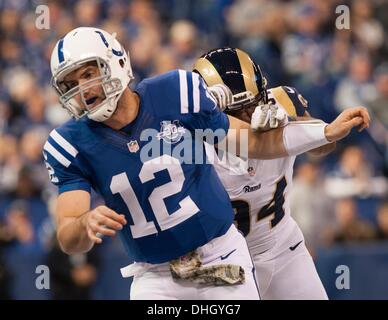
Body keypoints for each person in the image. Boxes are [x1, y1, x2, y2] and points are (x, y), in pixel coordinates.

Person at [44, 28, 369, 300]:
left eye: (89, 73)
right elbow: (69, 231)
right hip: (168, 269)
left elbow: (263, 141)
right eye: (72, 83)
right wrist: (84, 222)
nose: (84, 90)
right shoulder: (184, 129)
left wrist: (322, 133)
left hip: (269, 248)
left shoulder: (271, 111)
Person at [194, 47, 369, 299]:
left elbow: (323, 147)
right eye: (238, 110)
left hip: (282, 246)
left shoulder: (282, 102)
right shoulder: (189, 142)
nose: (250, 114)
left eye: (254, 103)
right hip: (223, 261)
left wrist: (293, 125)